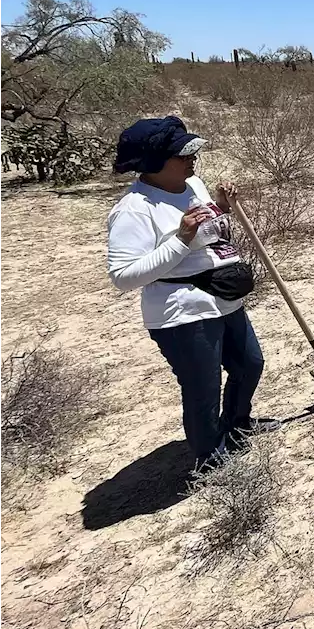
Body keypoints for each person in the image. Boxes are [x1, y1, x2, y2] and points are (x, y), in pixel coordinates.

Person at [106, 116, 277, 473]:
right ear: (153, 163)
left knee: (250, 363)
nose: (191, 159)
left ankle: (237, 424)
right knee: (203, 387)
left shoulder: (192, 184)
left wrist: (222, 207)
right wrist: (181, 239)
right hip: (182, 311)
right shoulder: (135, 209)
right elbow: (123, 276)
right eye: (181, 155)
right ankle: (210, 456)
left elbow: (208, 229)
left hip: (222, 297)